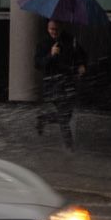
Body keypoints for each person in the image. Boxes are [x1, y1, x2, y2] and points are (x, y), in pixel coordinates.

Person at [35, 17, 89, 147]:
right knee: (64, 116)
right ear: (48, 29)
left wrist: (81, 64)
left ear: (61, 28)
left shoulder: (70, 40)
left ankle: (44, 118)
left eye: (56, 29)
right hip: (52, 84)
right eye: (51, 29)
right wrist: (51, 55)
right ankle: (69, 149)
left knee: (67, 116)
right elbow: (38, 64)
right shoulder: (43, 44)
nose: (54, 32)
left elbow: (82, 55)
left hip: (67, 83)